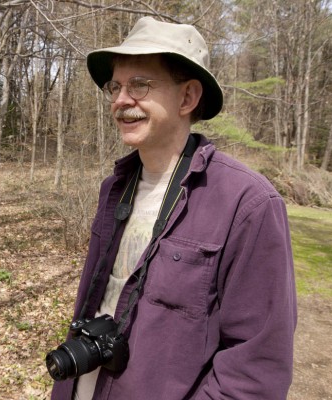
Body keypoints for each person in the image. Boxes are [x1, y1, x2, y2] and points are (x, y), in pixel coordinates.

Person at [49, 17, 297, 400]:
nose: (120, 100)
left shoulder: (248, 205)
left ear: (187, 98)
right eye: (115, 86)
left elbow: (255, 370)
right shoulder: (113, 189)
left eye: (140, 85)